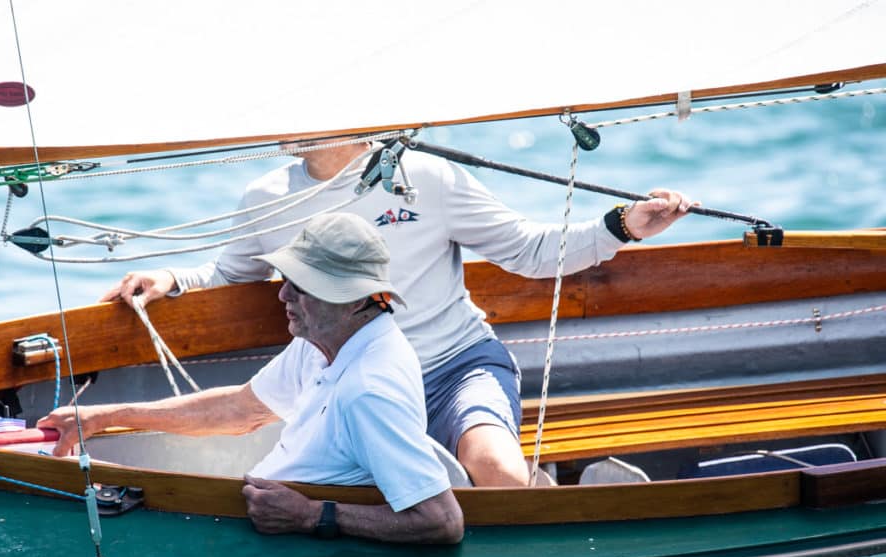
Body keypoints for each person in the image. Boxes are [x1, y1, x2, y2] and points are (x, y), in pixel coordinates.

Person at [103, 139, 695, 486]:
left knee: (495, 472)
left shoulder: (428, 178)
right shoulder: (267, 197)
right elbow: (235, 273)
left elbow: (530, 250)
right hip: (353, 377)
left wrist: (621, 226)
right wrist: (171, 279)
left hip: (457, 366)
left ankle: (547, 539)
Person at [41, 213, 464, 544]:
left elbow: (441, 522)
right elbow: (239, 410)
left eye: (301, 287)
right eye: (286, 281)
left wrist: (313, 517)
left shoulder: (369, 391)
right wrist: (100, 417)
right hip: (261, 524)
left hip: (283, 544)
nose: (282, 296)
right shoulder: (324, 340)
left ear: (352, 299)